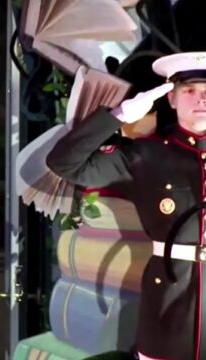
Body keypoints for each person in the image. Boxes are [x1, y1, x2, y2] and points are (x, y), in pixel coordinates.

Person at [47, 52, 206, 360]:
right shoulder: (146, 155)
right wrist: (118, 115)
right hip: (169, 300)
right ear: (171, 99)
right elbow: (63, 163)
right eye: (189, 91)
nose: (200, 99)